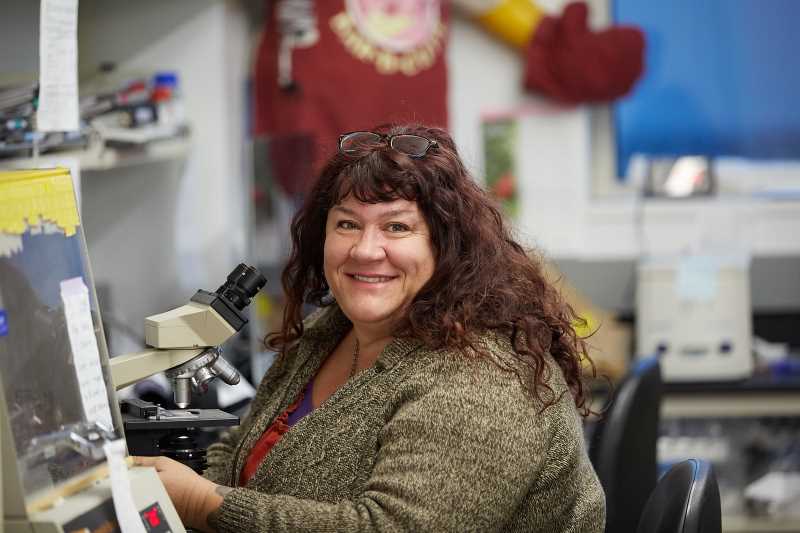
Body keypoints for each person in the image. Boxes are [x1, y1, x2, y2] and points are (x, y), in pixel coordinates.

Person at [135, 124, 605, 532]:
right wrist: (174, 488)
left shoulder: (481, 378)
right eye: (347, 225)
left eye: (396, 227)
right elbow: (241, 448)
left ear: (446, 246)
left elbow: (392, 528)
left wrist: (202, 504)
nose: (364, 250)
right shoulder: (330, 329)